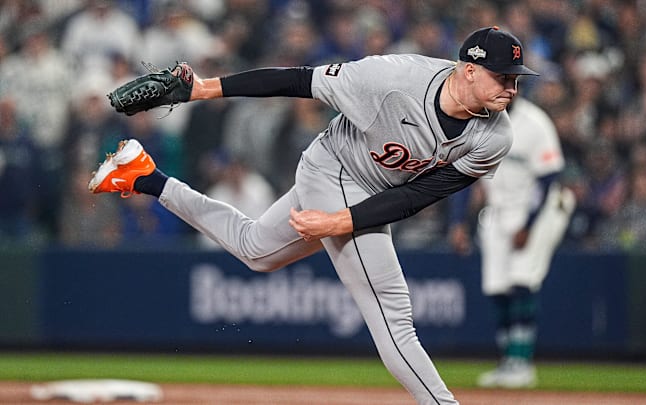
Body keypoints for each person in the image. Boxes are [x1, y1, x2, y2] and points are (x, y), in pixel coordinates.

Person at [88, 26, 538, 404]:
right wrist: (205, 88)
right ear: (470, 69)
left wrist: (342, 222)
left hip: (368, 194)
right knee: (393, 315)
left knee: (255, 251)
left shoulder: (494, 138)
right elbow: (297, 81)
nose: (512, 88)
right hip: (332, 169)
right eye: (503, 77)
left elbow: (417, 196)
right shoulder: (391, 79)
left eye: (516, 78)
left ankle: (144, 176)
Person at [448, 96, 575, 388]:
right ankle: (508, 362)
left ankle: (522, 364)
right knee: (497, 287)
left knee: (521, 281)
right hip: (499, 209)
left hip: (540, 209)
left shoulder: (535, 122)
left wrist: (528, 226)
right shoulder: (476, 122)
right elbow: (463, 177)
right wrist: (458, 223)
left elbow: (548, 180)